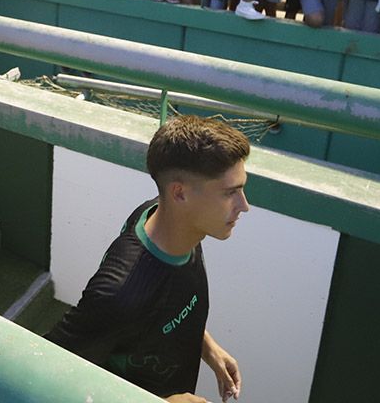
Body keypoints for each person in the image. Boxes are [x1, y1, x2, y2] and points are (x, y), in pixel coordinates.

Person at [47, 115, 247, 403]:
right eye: (231, 192)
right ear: (179, 194)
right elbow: (46, 369)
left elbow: (160, 308)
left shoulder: (169, 219)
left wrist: (207, 347)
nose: (244, 205)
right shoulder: (118, 296)